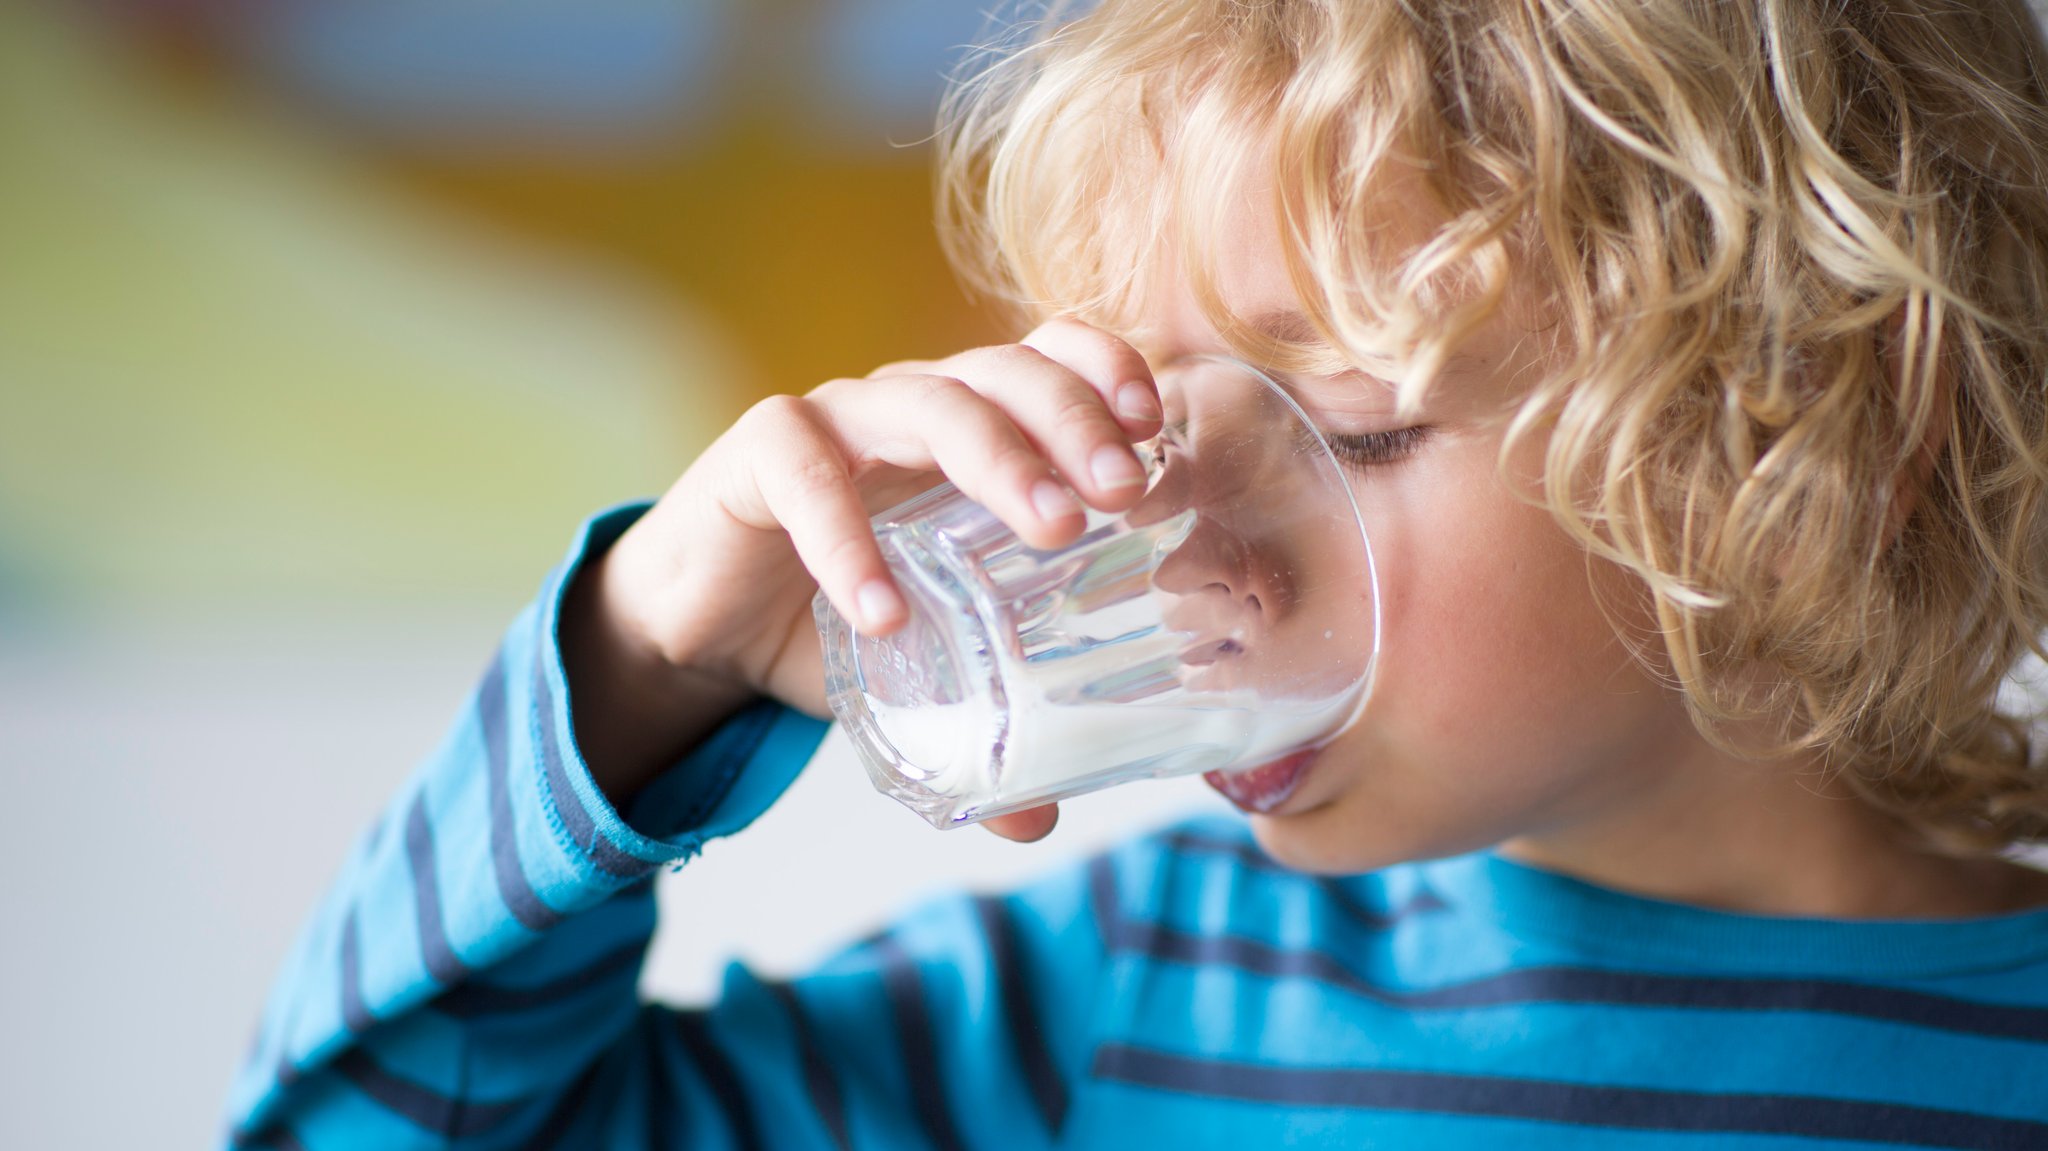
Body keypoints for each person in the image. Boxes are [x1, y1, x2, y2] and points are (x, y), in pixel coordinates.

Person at [223, 0, 2048, 1146]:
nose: (1183, 560)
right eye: (1151, 430)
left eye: (1349, 427)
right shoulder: (1126, 991)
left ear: (1815, 450)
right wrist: (644, 669)